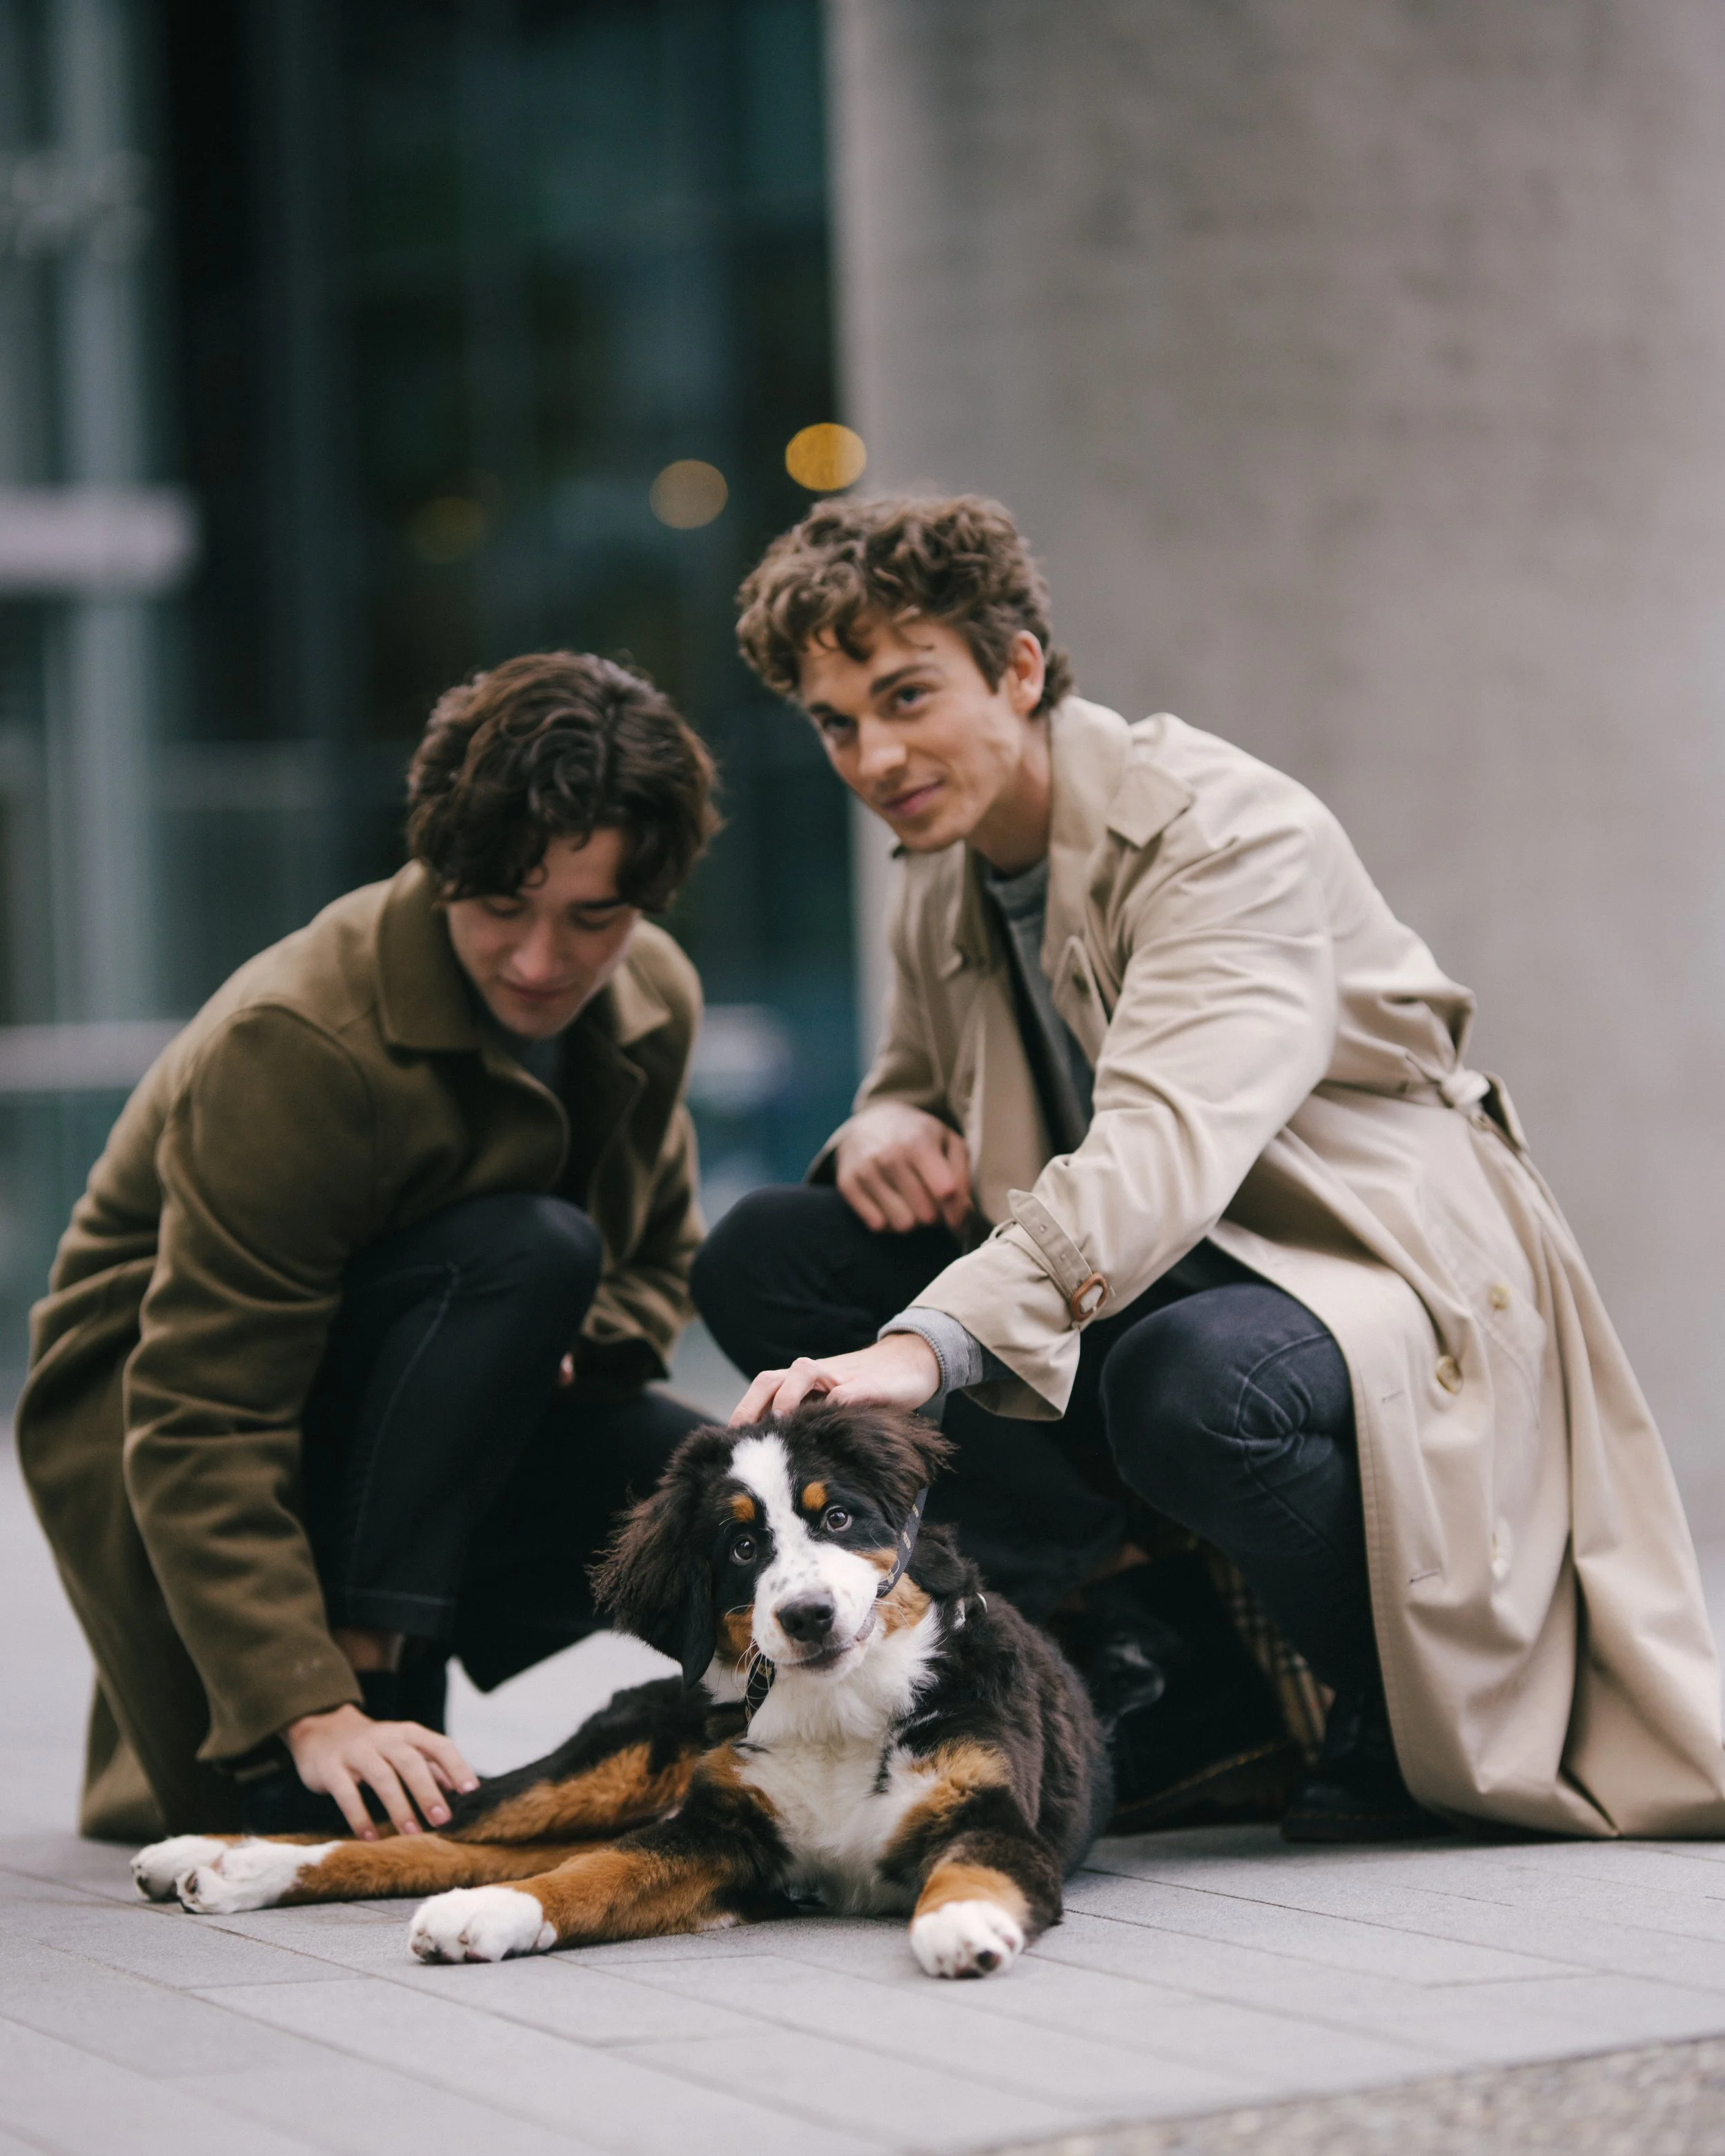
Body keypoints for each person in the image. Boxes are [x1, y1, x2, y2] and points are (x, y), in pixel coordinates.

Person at [695, 493, 1725, 1842]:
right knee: (769, 1250)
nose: (875, 754)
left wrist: (925, 1342)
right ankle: (1144, 1633)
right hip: (1129, 1283)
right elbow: (917, 1070)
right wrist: (883, 1123)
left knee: (1190, 1383)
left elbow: (1158, 1146)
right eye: (836, 722)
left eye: (905, 695)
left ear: (1015, 667)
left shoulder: (1220, 833)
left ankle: (1371, 1702)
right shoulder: (944, 870)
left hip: (1357, 1263)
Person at [19, 651, 718, 1843]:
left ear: (646, 901)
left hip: (432, 1424)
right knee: (531, 1252)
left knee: (694, 1480)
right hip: (170, 1421)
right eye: (502, 906)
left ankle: (806, 1738)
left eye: (592, 916)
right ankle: (361, 1677)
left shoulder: (650, 997)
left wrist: (545, 1353)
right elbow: (200, 1411)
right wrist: (312, 1711)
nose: (543, 963)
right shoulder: (298, 1039)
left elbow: (655, 1265)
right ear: (439, 867)